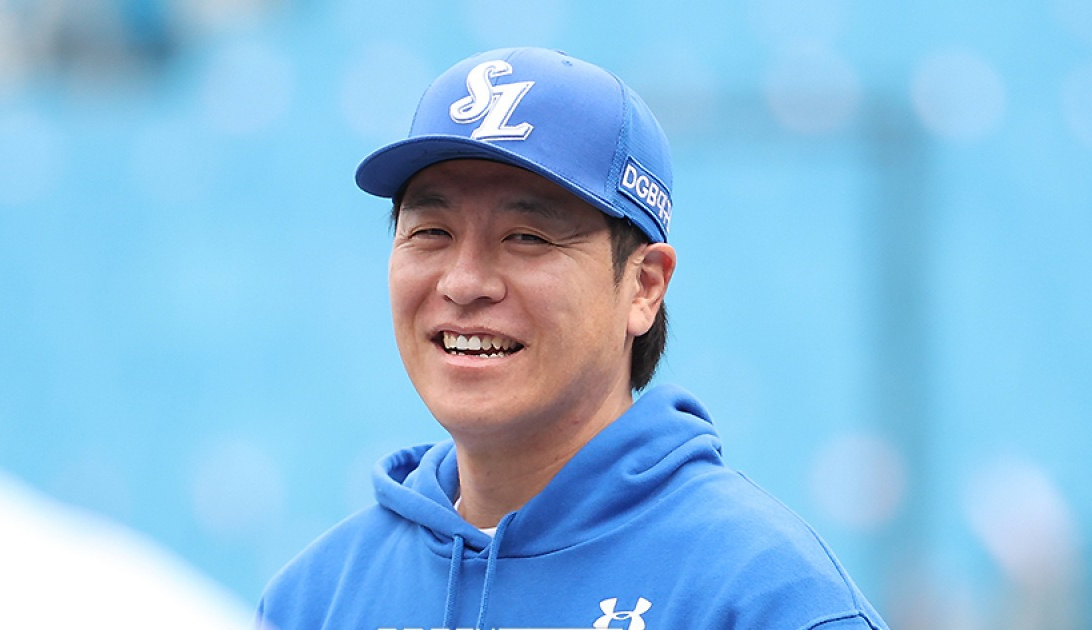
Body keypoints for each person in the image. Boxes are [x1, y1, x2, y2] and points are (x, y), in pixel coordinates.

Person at [257, 47, 888, 630]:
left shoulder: (765, 597)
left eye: (526, 238)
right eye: (431, 232)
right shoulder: (314, 599)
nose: (465, 282)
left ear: (643, 287)